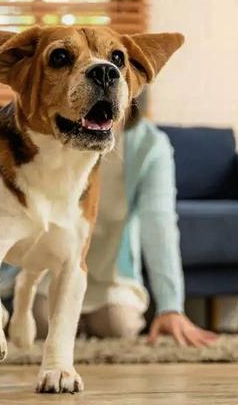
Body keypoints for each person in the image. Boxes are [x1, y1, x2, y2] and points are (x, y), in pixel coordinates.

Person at [26, 99, 217, 347]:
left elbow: (159, 224)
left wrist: (171, 306)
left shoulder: (150, 145)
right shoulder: (52, 131)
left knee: (118, 324)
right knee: (41, 323)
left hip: (112, 273)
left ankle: (128, 311)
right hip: (53, 266)